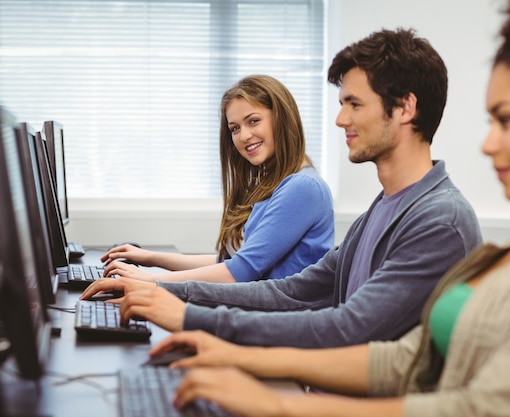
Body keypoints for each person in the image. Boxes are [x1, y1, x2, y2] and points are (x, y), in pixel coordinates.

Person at [146, 0, 510, 415]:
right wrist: (222, 344)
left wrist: (275, 399)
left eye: (506, 119)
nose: (487, 144)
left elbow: (478, 406)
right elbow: (404, 359)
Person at [81, 28, 482, 347]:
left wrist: (180, 307)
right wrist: (173, 295)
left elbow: (348, 329)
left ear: (405, 108)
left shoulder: (440, 221)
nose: (340, 119)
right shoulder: (380, 212)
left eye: (354, 104)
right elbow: (292, 293)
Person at [101, 75, 335, 283]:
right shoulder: (274, 184)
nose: (244, 136)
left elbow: (240, 271)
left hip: (280, 321)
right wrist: (150, 259)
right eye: (234, 128)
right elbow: (229, 262)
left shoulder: (303, 187)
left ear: (282, 119)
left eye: (253, 121)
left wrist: (151, 281)